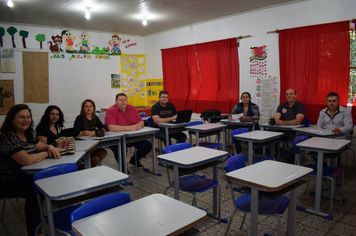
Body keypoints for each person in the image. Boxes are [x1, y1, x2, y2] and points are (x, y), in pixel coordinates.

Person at [0, 104, 61, 236]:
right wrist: (47, 153)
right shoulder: (8, 137)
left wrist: (48, 147)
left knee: (50, 179)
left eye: (28, 117)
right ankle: (35, 231)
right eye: (22, 117)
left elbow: (40, 146)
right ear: (12, 119)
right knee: (35, 188)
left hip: (26, 175)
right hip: (7, 180)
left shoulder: (28, 134)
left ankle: (52, 216)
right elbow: (26, 160)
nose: (26, 120)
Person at [105, 93, 152, 170]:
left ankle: (134, 160)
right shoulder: (111, 110)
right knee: (120, 149)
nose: (123, 102)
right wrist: (130, 127)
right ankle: (123, 169)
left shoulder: (132, 108)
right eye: (120, 100)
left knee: (147, 146)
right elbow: (111, 127)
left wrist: (139, 126)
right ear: (116, 101)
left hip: (132, 136)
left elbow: (141, 122)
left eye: (124, 100)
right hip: (116, 139)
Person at [74, 99, 108, 167]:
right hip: (82, 145)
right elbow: (76, 132)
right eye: (86, 106)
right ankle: (83, 169)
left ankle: (88, 167)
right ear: (83, 109)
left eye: (91, 106)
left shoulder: (95, 117)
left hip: (93, 144)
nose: (89, 108)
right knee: (95, 159)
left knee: (103, 153)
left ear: (93, 108)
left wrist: (93, 133)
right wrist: (96, 132)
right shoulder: (80, 118)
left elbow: (103, 129)